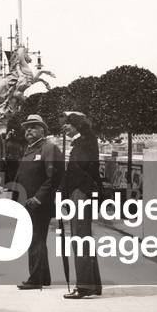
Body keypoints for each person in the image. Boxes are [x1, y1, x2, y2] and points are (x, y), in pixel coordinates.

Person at [12, 114, 63, 290]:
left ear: (43, 130)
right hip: (27, 203)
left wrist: (39, 198)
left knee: (35, 238)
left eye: (33, 127)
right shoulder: (29, 149)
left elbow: (54, 176)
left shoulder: (48, 148)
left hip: (39, 204)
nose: (29, 130)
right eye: (27, 127)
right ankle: (43, 276)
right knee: (35, 238)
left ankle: (36, 278)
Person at [60, 112, 102, 299]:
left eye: (68, 124)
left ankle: (84, 286)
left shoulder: (83, 143)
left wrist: (66, 188)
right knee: (84, 237)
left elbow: (79, 170)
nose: (64, 127)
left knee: (79, 237)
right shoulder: (86, 141)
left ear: (76, 125)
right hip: (83, 192)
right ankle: (93, 284)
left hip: (80, 193)